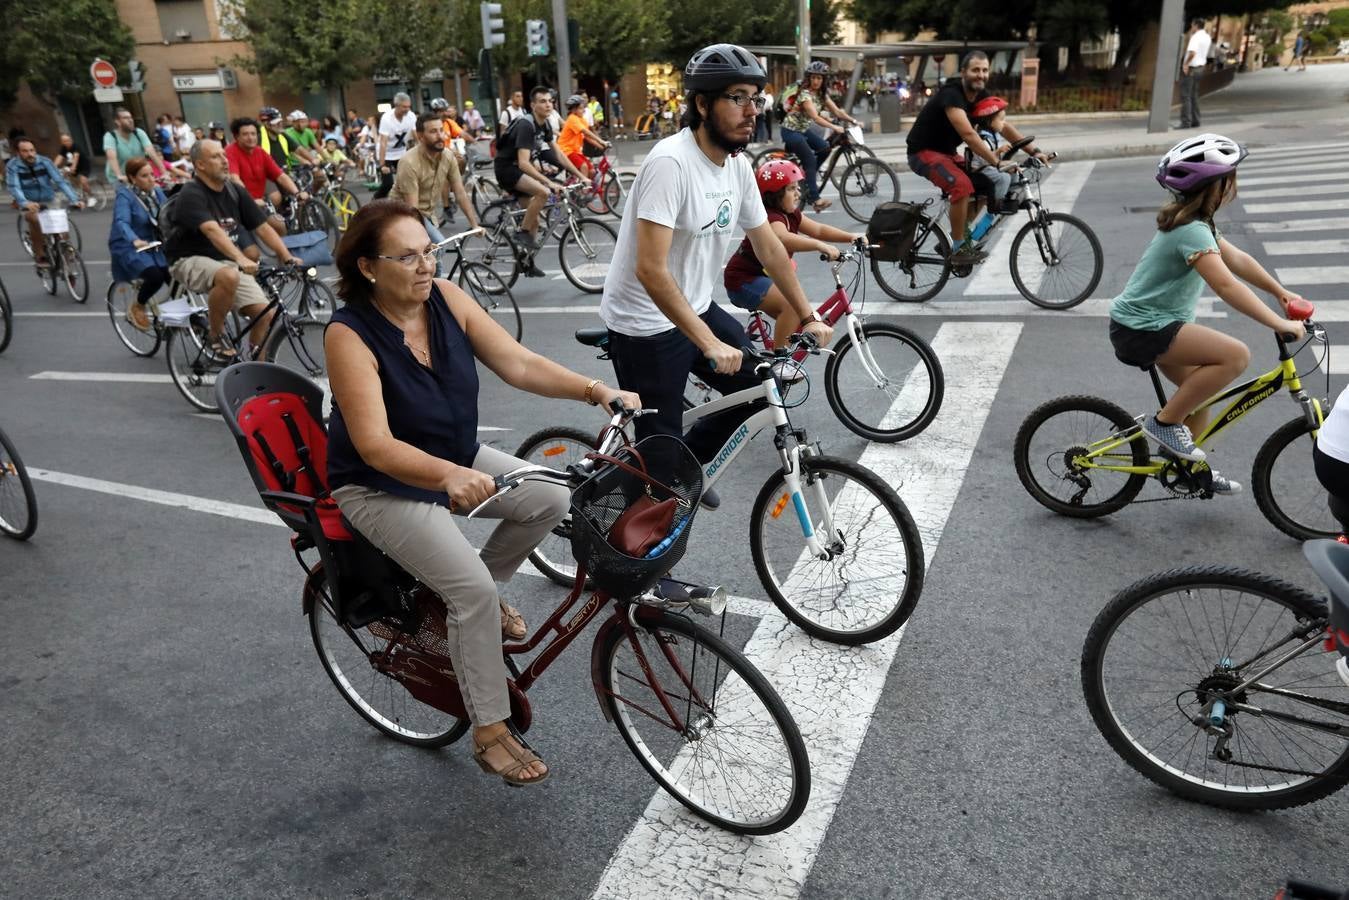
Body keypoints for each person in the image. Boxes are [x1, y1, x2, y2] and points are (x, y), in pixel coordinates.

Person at [325, 199, 639, 785]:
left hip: (454, 454)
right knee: (468, 589)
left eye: (430, 251)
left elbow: (517, 364)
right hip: (378, 485)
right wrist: (445, 477)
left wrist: (595, 390)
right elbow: (372, 444)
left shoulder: (445, 299)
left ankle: (474, 600)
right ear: (368, 267)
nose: (426, 266)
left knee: (549, 499)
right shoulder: (349, 333)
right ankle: (490, 729)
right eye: (408, 256)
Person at [599, 43, 832, 495]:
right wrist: (706, 342)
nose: (752, 111)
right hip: (644, 323)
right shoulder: (672, 163)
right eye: (737, 97)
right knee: (657, 458)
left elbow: (767, 247)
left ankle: (682, 464)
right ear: (703, 105)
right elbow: (649, 269)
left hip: (694, 307)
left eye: (756, 98)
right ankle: (625, 547)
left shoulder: (738, 166)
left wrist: (808, 314)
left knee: (763, 389)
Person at [1109, 134, 1307, 493]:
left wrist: (1280, 293)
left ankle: (1188, 468)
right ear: (1215, 186)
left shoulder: (1199, 225)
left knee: (1200, 396)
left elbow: (1240, 262)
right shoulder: (1192, 231)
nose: (1233, 186)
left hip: (1148, 326)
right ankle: (1164, 422)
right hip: (1144, 329)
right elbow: (1227, 285)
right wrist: (1278, 323)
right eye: (1230, 180)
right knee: (1236, 356)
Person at [905, 51, 1049, 265]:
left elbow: (1003, 125)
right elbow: (969, 136)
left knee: (988, 179)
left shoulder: (981, 96)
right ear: (963, 72)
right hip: (923, 152)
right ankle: (957, 248)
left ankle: (961, 232)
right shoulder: (952, 95)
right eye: (975, 70)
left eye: (984, 70)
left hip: (947, 154)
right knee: (962, 186)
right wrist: (997, 161)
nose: (980, 75)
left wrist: (1034, 151)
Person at [164, 140, 303, 358]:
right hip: (188, 258)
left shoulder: (234, 191)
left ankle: (258, 370)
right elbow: (211, 229)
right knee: (228, 275)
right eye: (216, 157)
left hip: (224, 260)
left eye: (224, 155)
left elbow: (262, 227)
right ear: (200, 165)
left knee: (265, 314)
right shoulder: (191, 193)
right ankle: (215, 335)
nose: (224, 160)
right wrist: (241, 258)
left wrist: (286, 256)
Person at [723, 160, 862, 356]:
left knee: (798, 309)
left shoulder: (792, 214)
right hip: (743, 280)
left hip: (765, 277)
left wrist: (851, 237)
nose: (798, 193)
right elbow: (782, 238)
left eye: (798, 187)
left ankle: (781, 351)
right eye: (791, 189)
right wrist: (818, 246)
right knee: (792, 307)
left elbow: (819, 229)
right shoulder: (770, 217)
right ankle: (781, 362)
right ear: (774, 194)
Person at [493, 86, 587, 253]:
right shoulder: (526, 125)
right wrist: (549, 183)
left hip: (517, 170)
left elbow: (560, 155)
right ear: (533, 105)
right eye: (543, 101)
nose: (548, 105)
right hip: (507, 169)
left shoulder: (545, 126)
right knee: (543, 192)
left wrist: (581, 176)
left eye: (550, 101)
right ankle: (521, 233)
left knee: (534, 221)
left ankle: (527, 260)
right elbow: (523, 163)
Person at [390, 111, 480, 272]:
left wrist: (474, 225)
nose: (440, 136)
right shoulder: (409, 162)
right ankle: (429, 293)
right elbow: (412, 210)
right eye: (433, 131)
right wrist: (424, 239)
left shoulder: (448, 156)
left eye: (441, 130)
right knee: (436, 249)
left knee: (433, 260)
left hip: (426, 215)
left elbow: (460, 192)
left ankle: (429, 291)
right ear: (420, 136)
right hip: (402, 215)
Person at [779, 61, 861, 212]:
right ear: (809, 78)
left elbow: (838, 112)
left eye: (820, 78)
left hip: (802, 130)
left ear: (824, 80)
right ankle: (815, 199)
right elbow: (816, 118)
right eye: (814, 78)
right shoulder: (805, 94)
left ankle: (807, 179)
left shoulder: (822, 95)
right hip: (790, 131)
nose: (816, 81)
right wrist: (834, 127)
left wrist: (853, 121)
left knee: (825, 148)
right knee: (810, 158)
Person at [109, 157, 170, 331]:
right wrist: (134, 239)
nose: (151, 179)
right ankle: (138, 306)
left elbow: (169, 214)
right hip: (129, 245)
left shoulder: (157, 192)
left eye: (152, 174)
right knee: (155, 276)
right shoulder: (125, 195)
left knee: (175, 276)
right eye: (145, 176)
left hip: (155, 242)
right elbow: (122, 222)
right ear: (133, 178)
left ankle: (181, 317)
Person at [7, 137, 82, 268]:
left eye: (32, 150)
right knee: (35, 220)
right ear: (18, 153)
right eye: (25, 151)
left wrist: (74, 199)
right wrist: (25, 203)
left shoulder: (45, 162)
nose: (30, 154)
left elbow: (60, 181)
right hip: (28, 201)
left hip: (49, 199)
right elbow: (14, 187)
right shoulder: (13, 166)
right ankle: (40, 255)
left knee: (60, 223)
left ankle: (65, 249)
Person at [225, 117, 308, 233]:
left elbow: (281, 176)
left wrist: (297, 192)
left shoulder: (260, 152)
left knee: (280, 227)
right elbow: (234, 179)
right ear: (236, 137)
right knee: (251, 249)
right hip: (238, 205)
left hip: (257, 203)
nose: (250, 138)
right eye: (245, 134)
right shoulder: (230, 152)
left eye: (253, 134)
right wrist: (250, 200)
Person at [965, 97, 1020, 215]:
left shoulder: (993, 136)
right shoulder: (983, 139)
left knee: (1014, 173)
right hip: (980, 170)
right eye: (1001, 120)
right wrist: (998, 152)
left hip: (989, 167)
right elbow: (984, 158)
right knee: (1003, 178)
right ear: (988, 121)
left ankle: (1007, 197)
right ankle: (996, 204)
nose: (1003, 123)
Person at [104, 107, 164, 183]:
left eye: (130, 117)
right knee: (126, 193)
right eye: (125, 118)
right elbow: (112, 157)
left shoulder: (139, 133)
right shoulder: (111, 136)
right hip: (119, 177)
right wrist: (119, 175)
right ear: (117, 122)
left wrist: (164, 172)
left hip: (137, 175)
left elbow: (151, 152)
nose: (130, 120)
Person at [557, 94, 609, 179]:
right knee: (584, 166)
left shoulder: (581, 120)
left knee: (592, 171)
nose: (584, 110)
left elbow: (587, 137)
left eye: (583, 108)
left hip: (576, 151)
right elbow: (586, 131)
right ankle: (583, 189)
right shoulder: (572, 119)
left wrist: (601, 146)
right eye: (581, 108)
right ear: (574, 110)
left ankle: (586, 189)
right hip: (566, 150)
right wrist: (601, 141)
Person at [375, 92, 416, 200]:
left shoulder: (411, 116)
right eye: (404, 107)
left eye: (408, 106)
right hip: (387, 154)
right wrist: (382, 164)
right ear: (396, 105)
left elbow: (416, 137)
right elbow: (383, 142)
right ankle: (375, 201)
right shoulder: (387, 118)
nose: (407, 109)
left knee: (408, 180)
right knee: (388, 184)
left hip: (401, 153)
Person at [1180, 18, 1210, 129]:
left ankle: (1186, 122)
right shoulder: (1207, 37)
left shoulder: (1195, 37)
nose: (1191, 27)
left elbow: (1192, 52)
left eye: (1192, 25)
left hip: (1192, 69)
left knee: (1186, 95)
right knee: (1194, 95)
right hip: (1200, 68)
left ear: (1196, 25)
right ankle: (1196, 120)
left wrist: (1186, 64)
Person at [54, 133, 93, 204]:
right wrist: (53, 167)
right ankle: (77, 193)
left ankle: (91, 197)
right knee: (65, 175)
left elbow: (76, 157)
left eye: (68, 140)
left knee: (83, 181)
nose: (67, 142)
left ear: (71, 140)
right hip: (71, 166)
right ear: (62, 142)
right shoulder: (63, 148)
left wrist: (73, 167)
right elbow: (59, 158)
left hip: (83, 166)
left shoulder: (76, 146)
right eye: (64, 141)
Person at [257, 107, 292, 173]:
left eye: (280, 122)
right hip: (269, 177)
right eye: (276, 123)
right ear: (266, 124)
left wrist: (312, 160)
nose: (280, 125)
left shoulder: (282, 134)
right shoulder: (258, 138)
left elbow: (298, 149)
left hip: (285, 173)